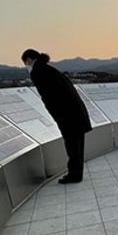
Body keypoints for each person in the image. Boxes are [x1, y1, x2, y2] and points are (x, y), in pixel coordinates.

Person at [22, 48, 92, 183]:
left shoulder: (38, 72)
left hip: (67, 115)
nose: (26, 66)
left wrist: (58, 117)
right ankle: (76, 174)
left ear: (29, 60)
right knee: (77, 145)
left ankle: (74, 175)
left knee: (72, 146)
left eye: (25, 62)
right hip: (76, 112)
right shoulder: (48, 69)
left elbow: (48, 98)